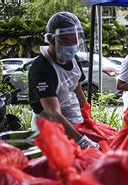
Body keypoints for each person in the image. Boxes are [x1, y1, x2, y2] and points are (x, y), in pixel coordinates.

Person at [28, 12, 100, 150]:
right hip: (50, 127)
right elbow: (53, 113)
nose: (71, 46)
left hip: (73, 124)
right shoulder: (41, 69)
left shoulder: (73, 59)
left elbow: (77, 86)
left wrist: (86, 114)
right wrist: (81, 141)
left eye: (74, 42)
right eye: (65, 42)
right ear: (50, 39)